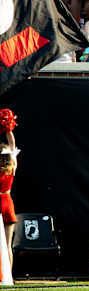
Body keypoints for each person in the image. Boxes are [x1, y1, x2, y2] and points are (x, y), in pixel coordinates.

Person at [0, 109, 18, 267]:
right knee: (7, 245)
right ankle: (8, 279)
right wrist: (8, 129)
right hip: (7, 202)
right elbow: (12, 145)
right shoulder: (12, 166)